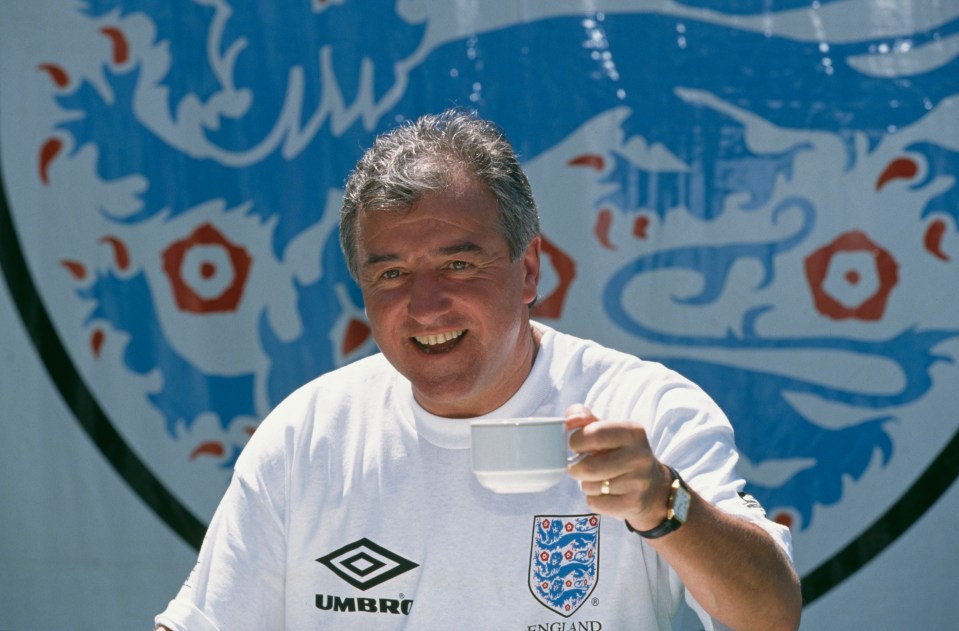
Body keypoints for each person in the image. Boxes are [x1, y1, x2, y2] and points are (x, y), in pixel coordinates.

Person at [155, 109, 802, 630]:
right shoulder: (307, 434)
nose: (424, 303)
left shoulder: (641, 407)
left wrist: (664, 504)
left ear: (527, 270)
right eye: (391, 274)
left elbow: (770, 614)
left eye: (458, 264)